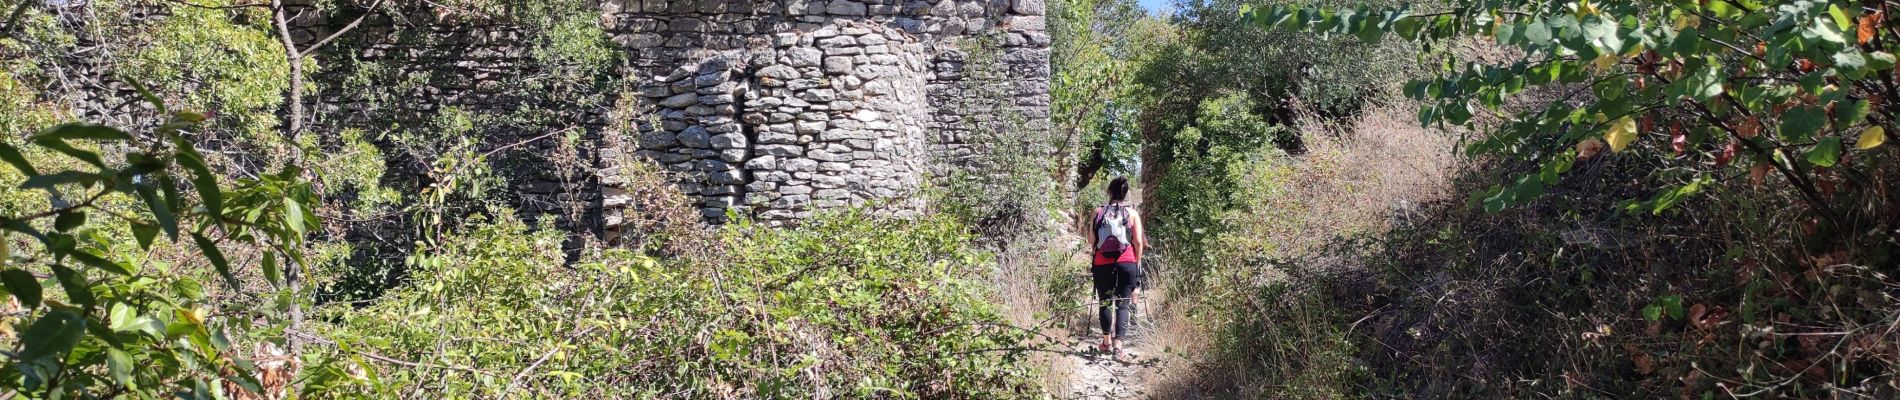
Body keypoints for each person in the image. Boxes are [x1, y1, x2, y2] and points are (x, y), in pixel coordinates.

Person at [1089, 176, 1146, 360]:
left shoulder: (1097, 212)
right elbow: (1137, 241)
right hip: (1127, 262)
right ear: (1126, 193)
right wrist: (1137, 261)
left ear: (1109, 192)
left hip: (1102, 262)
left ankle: (1106, 342)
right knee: (1123, 303)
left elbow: (1091, 241)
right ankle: (1118, 348)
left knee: (1105, 301)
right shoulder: (1133, 214)